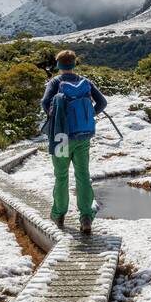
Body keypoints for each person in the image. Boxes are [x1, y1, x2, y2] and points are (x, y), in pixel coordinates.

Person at [41, 49, 108, 232]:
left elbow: (45, 103)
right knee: (83, 176)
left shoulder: (55, 82)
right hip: (83, 136)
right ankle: (86, 217)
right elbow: (102, 103)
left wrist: (57, 117)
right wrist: (88, 115)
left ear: (58, 65)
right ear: (74, 64)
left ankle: (59, 215)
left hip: (62, 137)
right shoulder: (85, 82)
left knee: (61, 176)